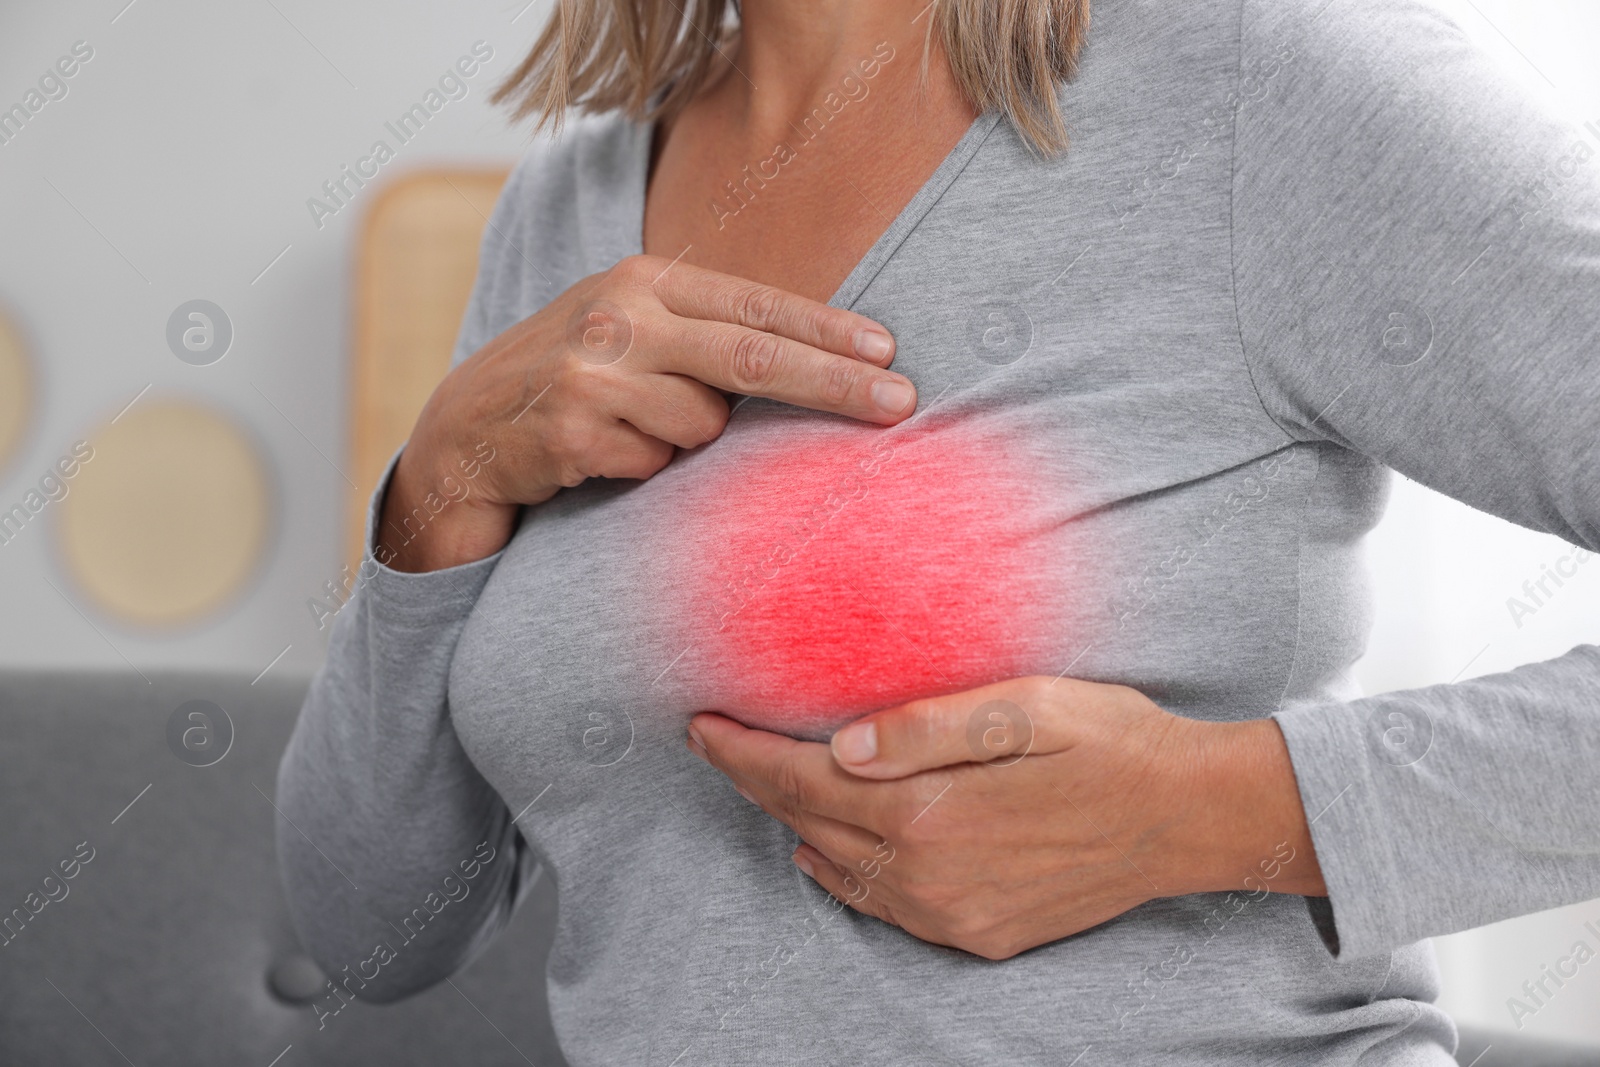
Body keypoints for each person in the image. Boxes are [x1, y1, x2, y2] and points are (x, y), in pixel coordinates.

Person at [276, 0, 1600, 1062]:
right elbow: (370, 933)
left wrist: (1222, 812)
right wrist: (438, 482)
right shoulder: (560, 215)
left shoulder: (1267, 80)